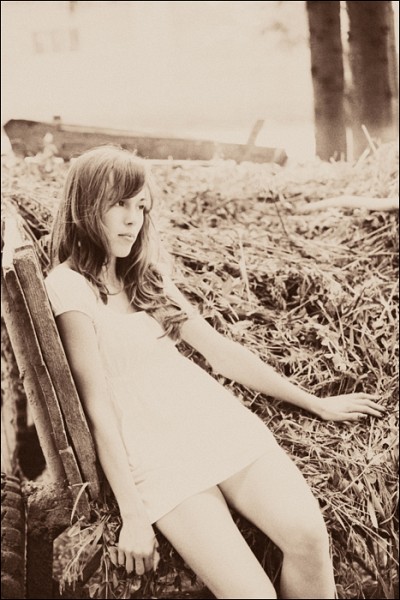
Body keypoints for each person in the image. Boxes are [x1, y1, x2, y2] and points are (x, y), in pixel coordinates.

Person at [44, 145, 384, 600]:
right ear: (86, 207)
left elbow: (220, 352)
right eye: (119, 204)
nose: (133, 220)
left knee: (308, 538)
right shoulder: (68, 286)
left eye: (140, 206)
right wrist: (133, 513)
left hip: (211, 420)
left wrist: (314, 402)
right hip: (154, 451)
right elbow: (97, 405)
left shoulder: (145, 276)